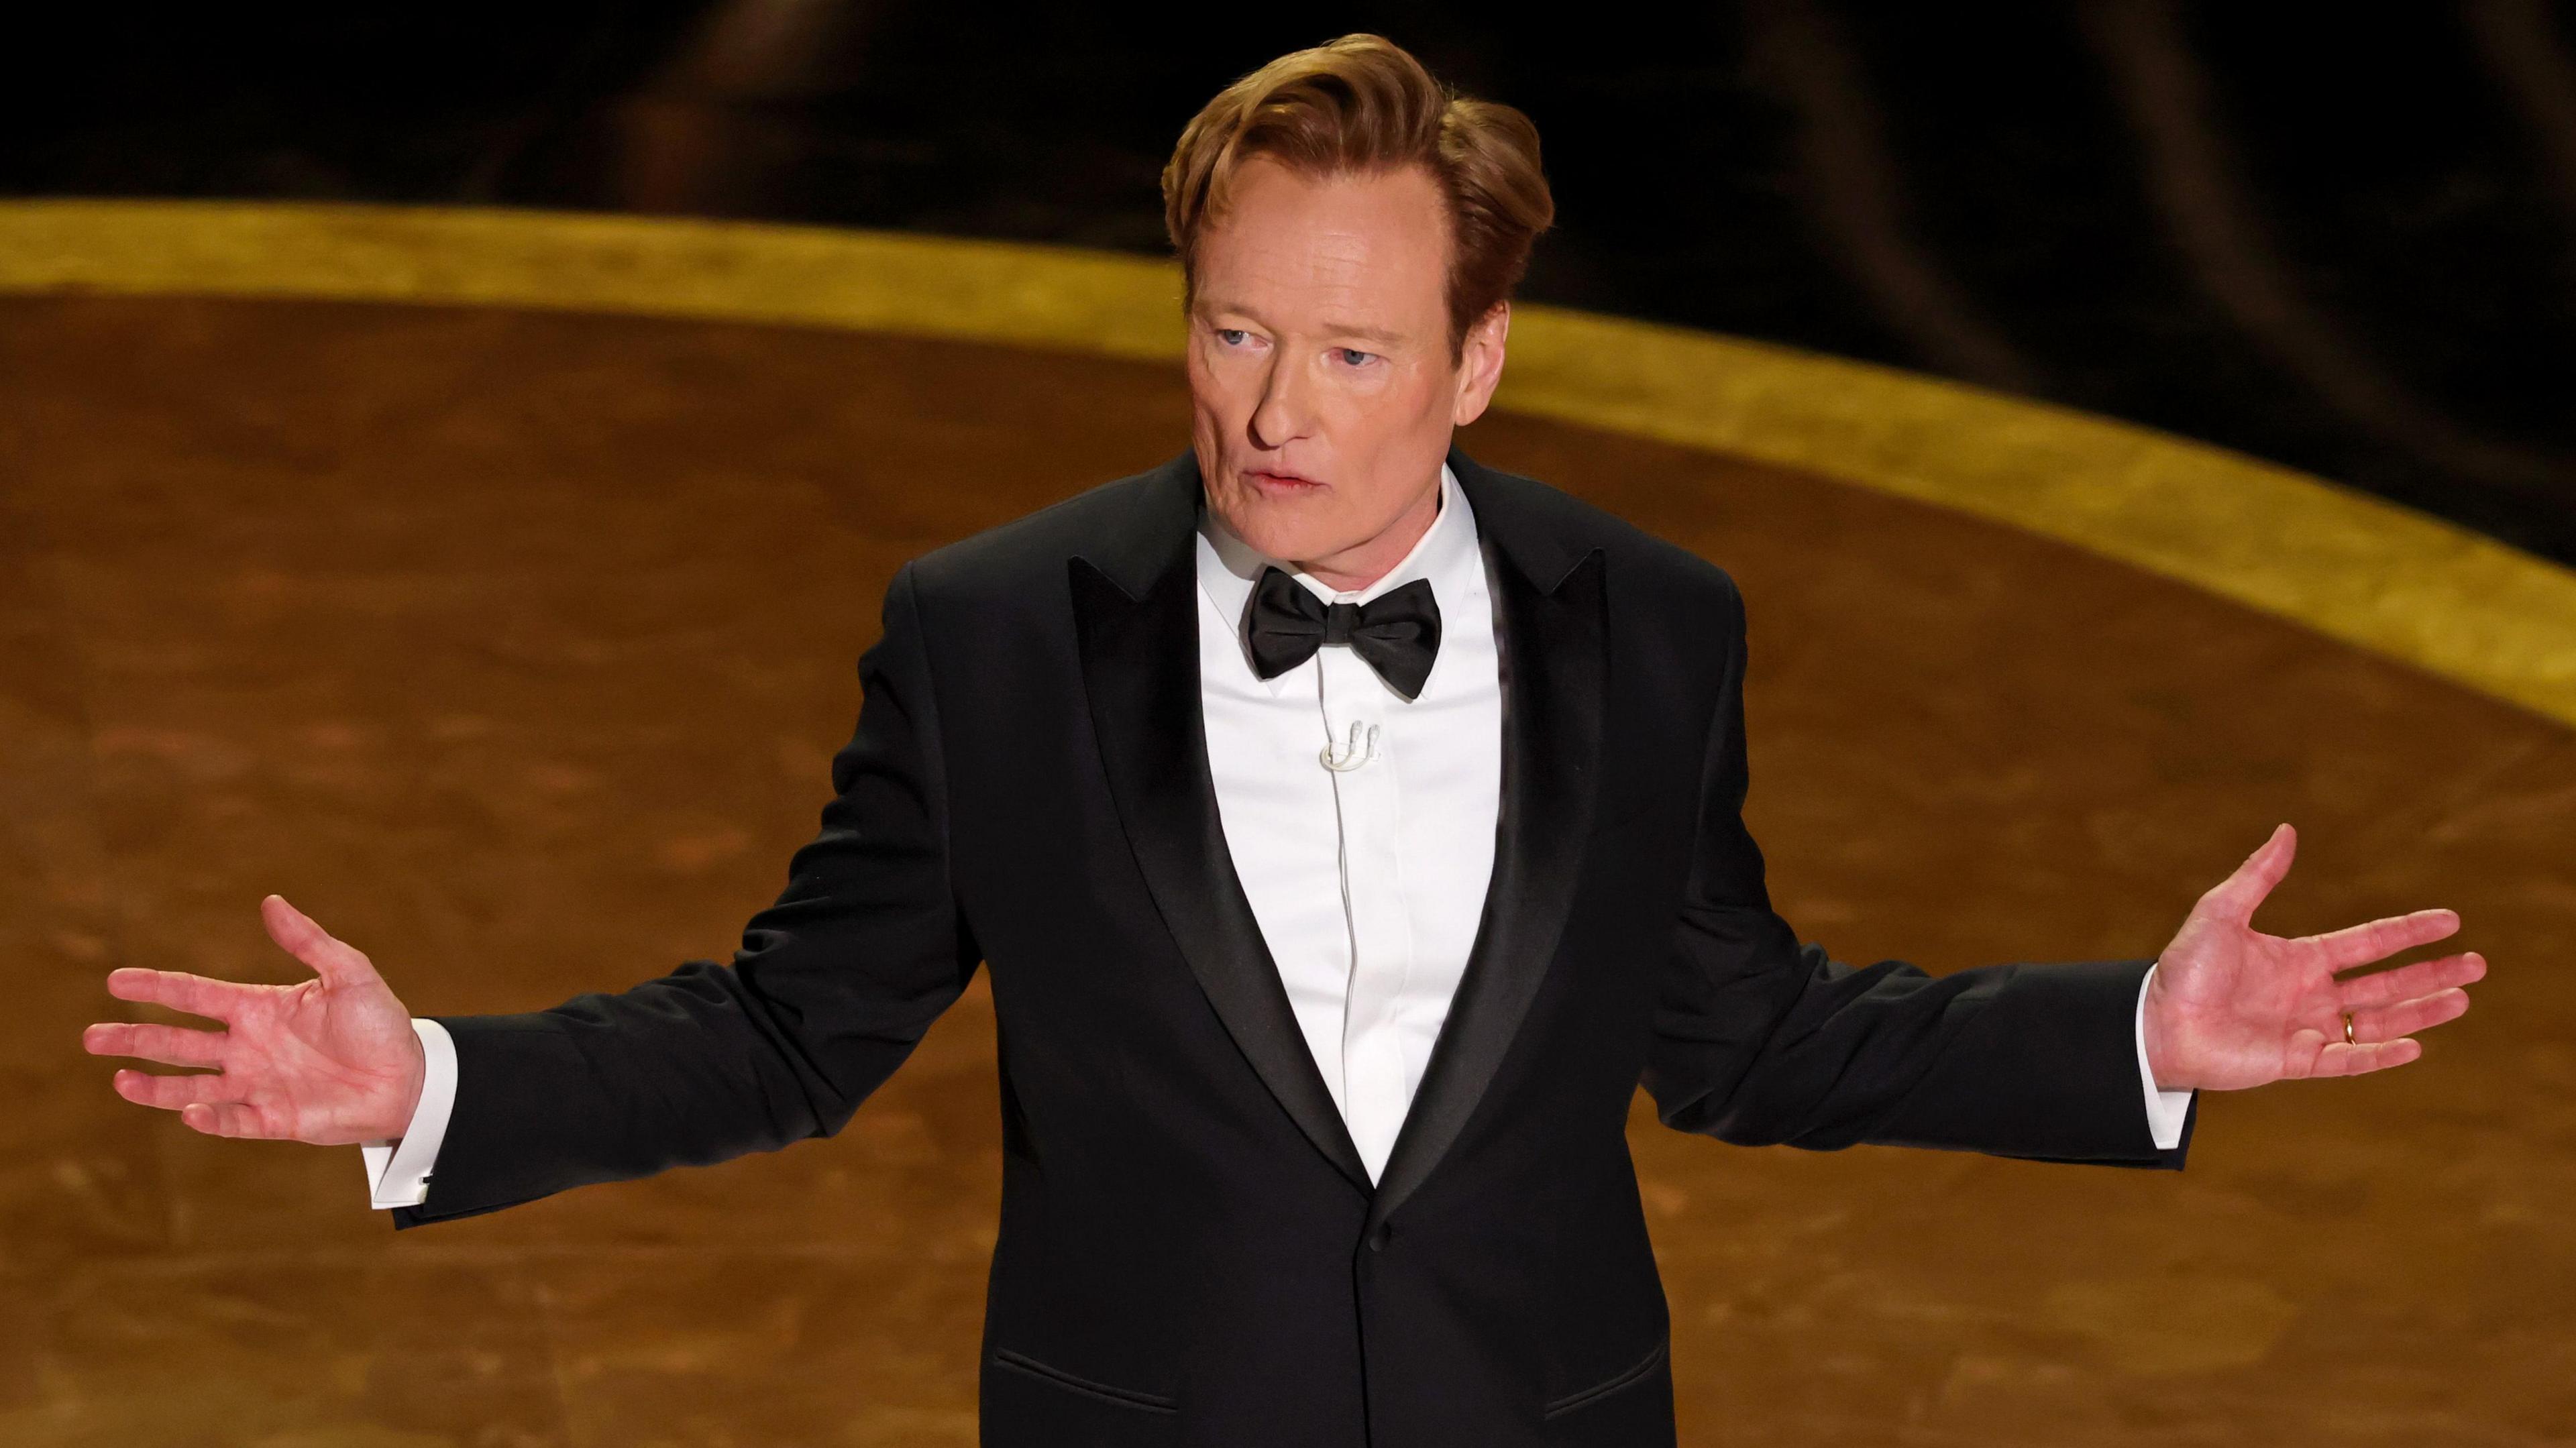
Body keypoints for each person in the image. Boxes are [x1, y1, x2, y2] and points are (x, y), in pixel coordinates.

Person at [80, 33, 2484, 1448]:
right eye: (1234, 333)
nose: (1271, 408)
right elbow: (794, 1031)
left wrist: (2134, 1042)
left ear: (1476, 364)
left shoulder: (1653, 625)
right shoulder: (995, 631)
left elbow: (1742, 1032)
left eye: (1348, 355)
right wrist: (439, 1095)